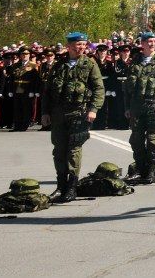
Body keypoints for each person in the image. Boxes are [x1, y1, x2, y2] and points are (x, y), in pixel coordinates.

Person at [41, 31, 105, 203]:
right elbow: (47, 91)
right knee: (59, 151)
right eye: (78, 45)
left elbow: (99, 89)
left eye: (84, 45)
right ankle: (61, 185)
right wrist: (45, 112)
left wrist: (94, 109)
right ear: (69, 46)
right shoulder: (59, 64)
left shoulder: (90, 64)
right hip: (58, 114)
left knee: (74, 151)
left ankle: (72, 187)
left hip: (79, 113)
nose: (81, 48)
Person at [125, 32, 155, 184]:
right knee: (136, 140)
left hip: (153, 103)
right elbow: (127, 87)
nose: (152, 44)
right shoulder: (135, 60)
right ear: (142, 44)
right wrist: (127, 107)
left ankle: (151, 170)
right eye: (149, 41)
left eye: (154, 41)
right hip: (136, 105)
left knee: (152, 140)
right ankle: (140, 168)